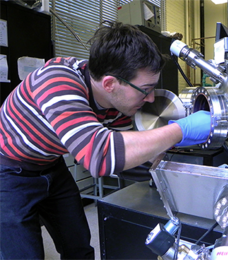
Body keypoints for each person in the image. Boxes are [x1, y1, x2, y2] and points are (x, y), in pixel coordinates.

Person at [0, 21, 211, 260]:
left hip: (51, 165)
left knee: (78, 245)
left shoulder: (116, 103)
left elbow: (124, 161)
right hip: (8, 171)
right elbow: (99, 157)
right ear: (110, 84)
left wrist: (162, 154)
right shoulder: (57, 81)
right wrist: (179, 131)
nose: (151, 97)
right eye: (145, 89)